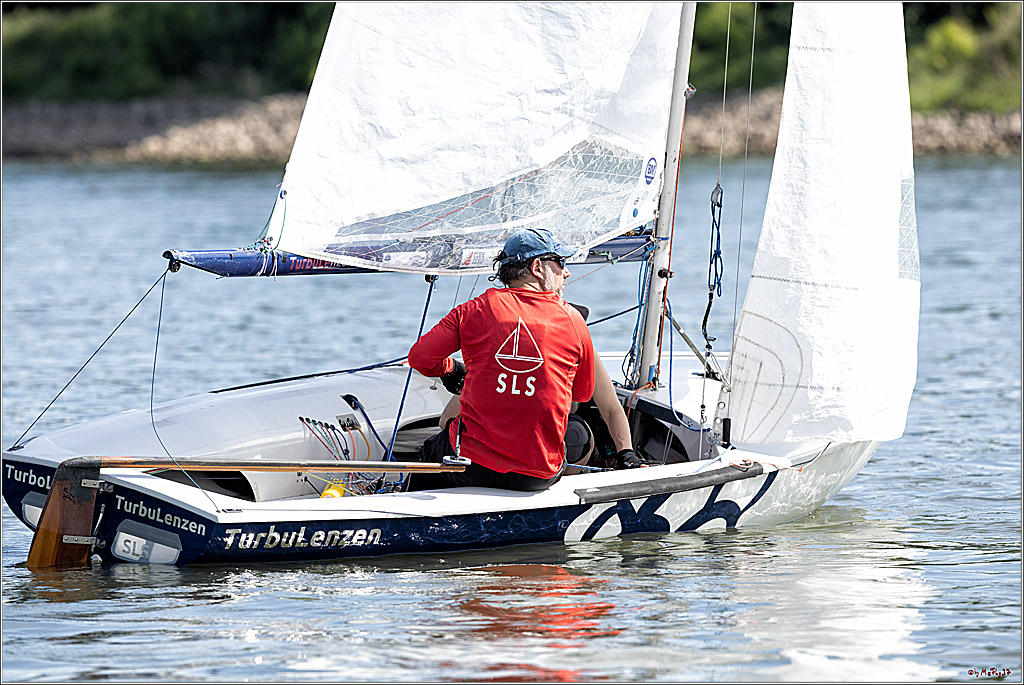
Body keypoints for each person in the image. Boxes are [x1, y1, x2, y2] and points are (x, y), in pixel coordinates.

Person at [406, 228, 594, 491]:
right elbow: (582, 394)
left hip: (471, 466)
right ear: (538, 267)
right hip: (537, 477)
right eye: (561, 263)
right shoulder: (575, 321)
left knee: (430, 451)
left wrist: (451, 370)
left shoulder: (473, 310)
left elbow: (419, 359)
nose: (567, 272)